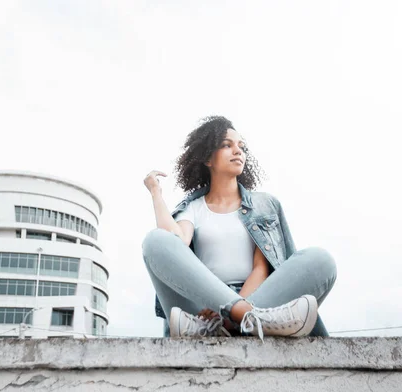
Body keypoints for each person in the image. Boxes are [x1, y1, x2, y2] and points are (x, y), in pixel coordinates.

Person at [142, 116, 337, 340]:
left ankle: (234, 323)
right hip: (202, 311)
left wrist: (232, 311)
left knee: (321, 260)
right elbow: (174, 240)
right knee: (155, 240)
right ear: (207, 158)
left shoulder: (264, 204)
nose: (238, 151)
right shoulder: (193, 208)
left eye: (241, 146)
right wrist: (156, 193)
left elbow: (261, 269)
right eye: (227, 145)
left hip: (260, 299)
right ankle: (248, 320)